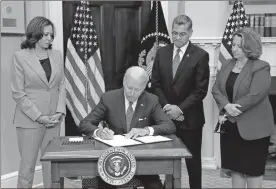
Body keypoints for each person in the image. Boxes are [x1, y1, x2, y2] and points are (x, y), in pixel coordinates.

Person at [79, 66, 176, 189]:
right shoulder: (109, 98)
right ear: (124, 81)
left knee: (155, 187)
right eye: (129, 88)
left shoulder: (151, 100)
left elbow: (169, 126)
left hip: (142, 161)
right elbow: (84, 124)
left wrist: (146, 130)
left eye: (137, 89)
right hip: (111, 160)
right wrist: (98, 132)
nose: (132, 93)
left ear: (144, 87)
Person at [151, 15, 210, 189]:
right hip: (166, 116)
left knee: (193, 163)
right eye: (174, 33)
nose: (177, 37)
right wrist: (169, 108)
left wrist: (180, 109)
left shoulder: (200, 56)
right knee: (166, 161)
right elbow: (155, 84)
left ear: (190, 33)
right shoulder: (162, 53)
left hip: (190, 119)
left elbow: (200, 90)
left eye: (182, 34)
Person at [212, 27, 275, 188]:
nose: (233, 48)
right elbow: (216, 89)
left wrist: (231, 111)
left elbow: (255, 95)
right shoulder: (227, 64)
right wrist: (226, 106)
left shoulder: (261, 66)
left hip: (254, 129)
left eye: (238, 46)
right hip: (231, 128)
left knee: (253, 171)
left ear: (249, 47)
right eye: (233, 44)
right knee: (236, 169)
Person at [10, 16, 66, 188]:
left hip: (54, 119)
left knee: (53, 165)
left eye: (52, 35)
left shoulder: (56, 55)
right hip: (30, 120)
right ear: (35, 35)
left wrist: (60, 111)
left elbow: (61, 84)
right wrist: (39, 116)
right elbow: (18, 94)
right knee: (28, 166)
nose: (50, 38)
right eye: (46, 35)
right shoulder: (19, 57)